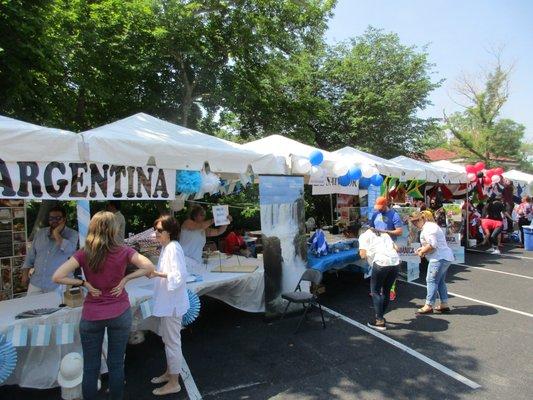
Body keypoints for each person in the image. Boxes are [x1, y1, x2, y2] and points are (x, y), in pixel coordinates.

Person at [52, 211, 155, 400]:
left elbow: (57, 276)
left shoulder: (84, 252)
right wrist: (126, 279)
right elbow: (149, 266)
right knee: (116, 365)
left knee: (91, 368)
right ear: (114, 229)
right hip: (119, 312)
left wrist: (84, 284)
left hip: (92, 315)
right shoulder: (123, 251)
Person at [149, 215, 190, 396]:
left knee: (172, 342)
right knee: (168, 341)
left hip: (173, 304)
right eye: (155, 229)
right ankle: (169, 372)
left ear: (170, 232)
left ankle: (174, 382)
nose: (156, 233)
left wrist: (155, 273)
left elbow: (179, 276)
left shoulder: (173, 248)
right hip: (169, 303)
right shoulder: (167, 247)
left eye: (159, 230)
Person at [22, 205, 79, 295]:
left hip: (59, 284)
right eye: (51, 218)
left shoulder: (73, 234)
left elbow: (69, 250)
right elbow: (30, 256)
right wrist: (25, 275)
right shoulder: (40, 233)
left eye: (58, 218)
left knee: (57, 309)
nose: (54, 221)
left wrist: (56, 233)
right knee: (31, 307)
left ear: (64, 219)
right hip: (36, 282)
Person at [410, 212, 454, 314]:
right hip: (444, 257)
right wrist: (422, 249)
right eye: (413, 222)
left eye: (416, 221)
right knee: (440, 281)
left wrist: (422, 252)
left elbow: (432, 245)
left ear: (422, 218)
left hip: (438, 258)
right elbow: (433, 244)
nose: (415, 224)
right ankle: (444, 304)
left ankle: (429, 305)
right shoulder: (430, 227)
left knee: (431, 281)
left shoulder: (428, 229)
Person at [358, 226, 400, 331]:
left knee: (375, 291)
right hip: (395, 262)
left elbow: (362, 255)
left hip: (381, 262)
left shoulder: (364, 236)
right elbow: (396, 248)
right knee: (386, 290)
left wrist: (366, 253)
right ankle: (381, 316)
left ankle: (379, 320)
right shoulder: (384, 234)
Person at [369, 196, 403, 301]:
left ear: (385, 205)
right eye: (377, 207)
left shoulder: (394, 215)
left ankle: (390, 290)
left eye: (380, 207)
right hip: (377, 245)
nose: (379, 209)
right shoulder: (375, 214)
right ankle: (377, 289)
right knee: (377, 267)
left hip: (390, 245)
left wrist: (386, 232)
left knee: (390, 268)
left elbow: (399, 231)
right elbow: (371, 227)